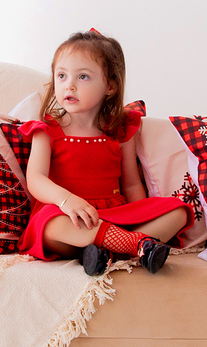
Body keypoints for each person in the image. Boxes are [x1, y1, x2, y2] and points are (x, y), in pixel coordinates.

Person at [19, 29, 193, 276]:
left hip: (112, 216)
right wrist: (66, 201)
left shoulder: (119, 131)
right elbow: (35, 178)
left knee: (178, 211)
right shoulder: (46, 130)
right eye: (61, 75)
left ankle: (103, 252)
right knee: (48, 223)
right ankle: (134, 245)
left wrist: (142, 213)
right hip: (66, 216)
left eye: (83, 77)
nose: (69, 85)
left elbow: (131, 185)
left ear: (110, 86)